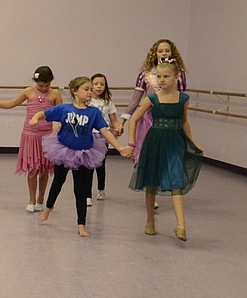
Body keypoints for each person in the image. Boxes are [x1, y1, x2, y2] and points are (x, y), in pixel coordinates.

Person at [30, 76, 132, 237]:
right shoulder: (64, 109)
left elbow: (105, 131)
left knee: (81, 190)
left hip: (84, 154)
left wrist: (119, 147)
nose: (90, 92)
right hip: (63, 152)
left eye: (91, 89)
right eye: (86, 89)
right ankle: (48, 208)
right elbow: (44, 113)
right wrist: (35, 117)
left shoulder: (94, 112)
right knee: (58, 182)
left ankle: (81, 224)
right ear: (75, 91)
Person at [127, 61, 202, 241]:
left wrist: (193, 143)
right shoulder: (152, 99)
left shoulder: (183, 99)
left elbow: (184, 121)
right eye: (159, 77)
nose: (161, 80)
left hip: (175, 142)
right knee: (151, 181)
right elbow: (134, 119)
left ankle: (181, 226)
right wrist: (131, 143)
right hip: (155, 141)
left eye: (166, 76)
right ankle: (150, 221)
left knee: (176, 181)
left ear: (176, 77)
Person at [0, 66, 62, 212]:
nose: (44, 88)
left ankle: (41, 199)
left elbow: (61, 113)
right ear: (35, 81)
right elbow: (10, 104)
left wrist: (58, 129)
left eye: (47, 85)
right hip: (30, 135)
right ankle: (31, 199)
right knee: (33, 168)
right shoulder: (28, 91)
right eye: (41, 85)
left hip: (47, 135)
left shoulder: (55, 93)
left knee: (44, 168)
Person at [86, 73, 119, 205]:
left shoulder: (107, 103)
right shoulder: (87, 101)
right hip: (88, 135)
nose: (99, 86)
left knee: (100, 164)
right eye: (96, 84)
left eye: (102, 84)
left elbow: (114, 120)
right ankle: (87, 195)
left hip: (103, 136)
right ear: (91, 85)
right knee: (88, 166)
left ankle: (101, 188)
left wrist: (118, 127)